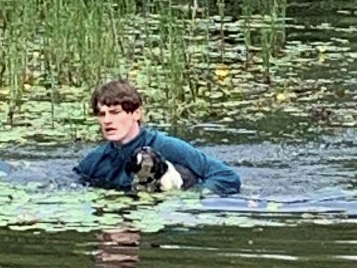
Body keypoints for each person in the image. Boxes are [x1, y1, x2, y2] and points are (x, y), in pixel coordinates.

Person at [73, 79, 241, 195]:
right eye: (102, 114)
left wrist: (192, 197)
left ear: (136, 113)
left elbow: (227, 177)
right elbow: (74, 183)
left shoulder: (168, 146)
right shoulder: (94, 162)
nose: (107, 120)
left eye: (115, 112)